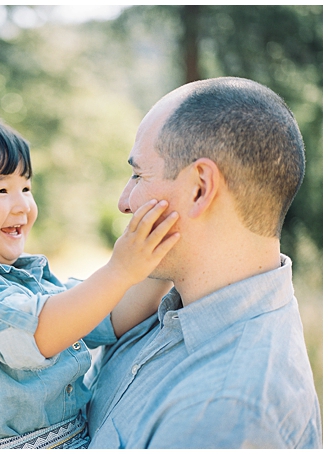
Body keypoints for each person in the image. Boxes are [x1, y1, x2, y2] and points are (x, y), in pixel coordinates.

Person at [0, 104, 180, 449]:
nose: (22, 205)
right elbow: (35, 335)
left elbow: (109, 315)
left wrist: (158, 262)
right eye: (1, 190)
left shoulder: (28, 278)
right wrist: (119, 271)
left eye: (26, 188)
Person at [85, 77, 322, 448]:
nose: (124, 200)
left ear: (199, 188)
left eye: (138, 175)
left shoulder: (223, 412)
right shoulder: (154, 303)